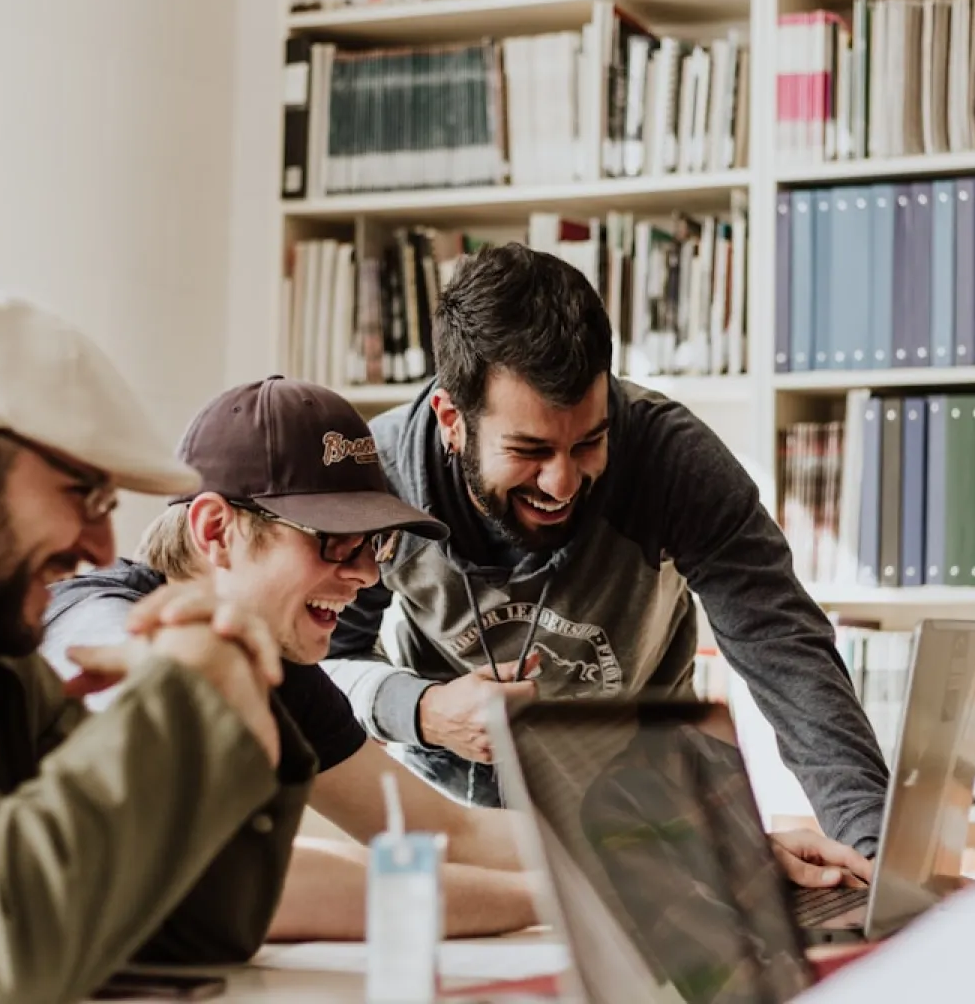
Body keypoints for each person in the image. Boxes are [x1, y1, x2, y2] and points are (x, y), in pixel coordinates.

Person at [324, 242, 891, 872]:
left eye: (589, 442)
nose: (562, 483)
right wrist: (422, 710)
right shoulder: (379, 478)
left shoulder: (672, 461)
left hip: (646, 817)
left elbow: (787, 652)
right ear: (452, 419)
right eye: (530, 450)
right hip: (454, 829)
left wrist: (876, 862)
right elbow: (321, 668)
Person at [0, 288, 315, 1004]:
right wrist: (191, 696)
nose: (103, 547)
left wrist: (233, 694)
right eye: (83, 494)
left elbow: (190, 930)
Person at [42, 375, 538, 939]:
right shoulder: (93, 621)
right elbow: (231, 877)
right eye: (334, 539)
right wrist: (554, 901)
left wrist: (623, 857)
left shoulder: (278, 666)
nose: (367, 575)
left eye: (373, 544)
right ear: (215, 531)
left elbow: (442, 831)